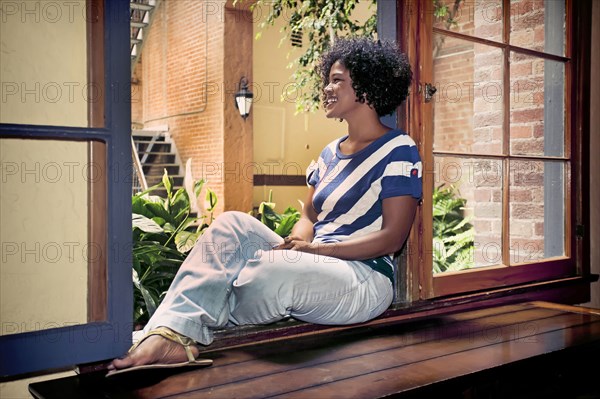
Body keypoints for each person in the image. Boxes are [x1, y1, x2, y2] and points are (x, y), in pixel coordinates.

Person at [107, 36, 422, 376]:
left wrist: (315, 252)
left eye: (337, 80)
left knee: (268, 273)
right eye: (327, 80)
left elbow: (392, 238)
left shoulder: (398, 149)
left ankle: (175, 331)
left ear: (366, 85)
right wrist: (293, 244)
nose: (327, 88)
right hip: (315, 260)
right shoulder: (330, 154)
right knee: (231, 226)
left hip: (364, 277)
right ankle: (171, 334)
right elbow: (308, 217)